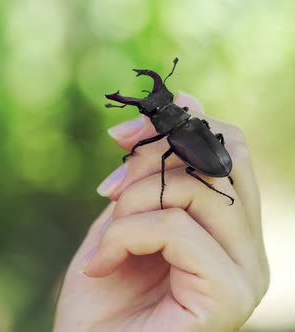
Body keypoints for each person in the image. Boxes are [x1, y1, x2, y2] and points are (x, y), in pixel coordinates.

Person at [54, 92, 269, 331]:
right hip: (216, 158)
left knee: (185, 170)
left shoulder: (178, 138)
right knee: (186, 170)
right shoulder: (195, 123)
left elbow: (147, 149)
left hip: (215, 163)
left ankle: (206, 188)